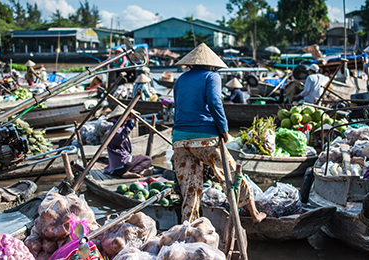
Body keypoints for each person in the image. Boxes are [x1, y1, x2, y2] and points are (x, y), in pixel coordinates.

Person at [172, 43, 266, 223]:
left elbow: (177, 108)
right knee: (230, 174)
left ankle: (189, 227)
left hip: (179, 140)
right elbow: (215, 103)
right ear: (212, 64)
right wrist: (224, 130)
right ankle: (255, 214)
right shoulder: (211, 76)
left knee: (190, 187)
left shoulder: (180, 80)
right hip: (205, 138)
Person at [104, 106, 153, 178]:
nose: (129, 119)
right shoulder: (116, 130)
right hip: (121, 165)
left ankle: (131, 172)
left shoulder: (119, 128)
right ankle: (133, 172)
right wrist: (128, 127)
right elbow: (118, 140)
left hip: (119, 166)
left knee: (138, 159)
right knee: (147, 159)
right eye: (128, 117)